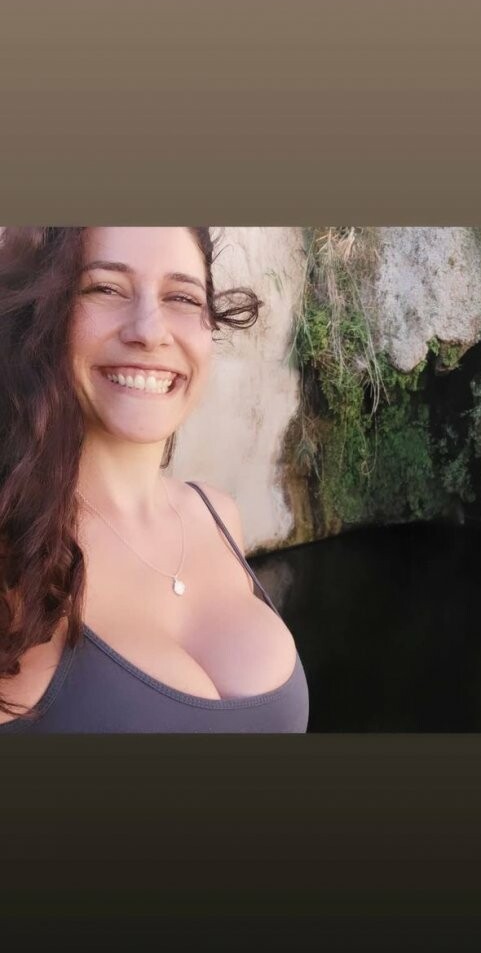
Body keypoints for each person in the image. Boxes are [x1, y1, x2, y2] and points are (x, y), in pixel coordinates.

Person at [0, 226, 309, 732]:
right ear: (46, 311)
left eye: (182, 297)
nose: (149, 330)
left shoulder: (217, 516)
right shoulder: (14, 551)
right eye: (105, 288)